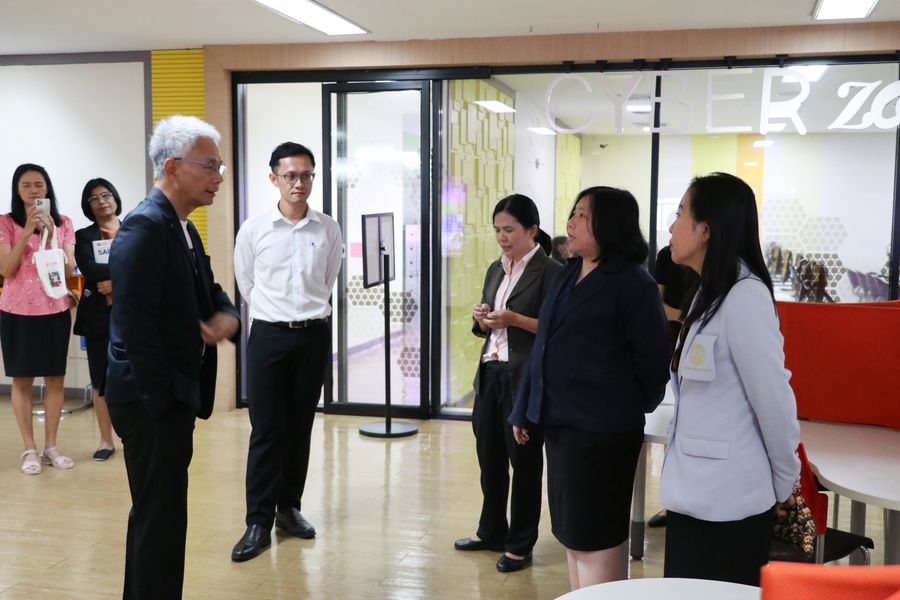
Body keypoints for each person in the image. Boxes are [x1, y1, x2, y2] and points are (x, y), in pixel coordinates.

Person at [105, 115, 240, 600]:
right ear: (172, 167)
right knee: (158, 519)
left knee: (161, 517)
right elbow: (135, 329)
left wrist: (227, 316)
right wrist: (163, 401)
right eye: (209, 166)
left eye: (219, 167)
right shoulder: (144, 228)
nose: (218, 177)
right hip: (150, 401)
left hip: (169, 396)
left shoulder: (181, 227)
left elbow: (210, 291)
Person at [510, 186, 670, 590]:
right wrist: (525, 407)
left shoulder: (633, 283)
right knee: (572, 533)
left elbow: (654, 363)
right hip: (562, 426)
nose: (571, 222)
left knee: (596, 538)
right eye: (574, 212)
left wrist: (624, 404)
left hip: (603, 433)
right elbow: (543, 345)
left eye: (583, 215)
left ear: (610, 225)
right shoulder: (568, 274)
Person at [660, 172, 800, 586]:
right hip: (692, 495)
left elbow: (773, 402)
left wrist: (784, 483)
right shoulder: (709, 291)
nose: (671, 226)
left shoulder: (745, 296)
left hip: (728, 504)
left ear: (706, 230)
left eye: (680, 213)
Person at [231, 141, 342, 562]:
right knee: (266, 429)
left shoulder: (327, 228)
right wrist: (276, 314)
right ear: (273, 178)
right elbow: (246, 283)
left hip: (313, 336)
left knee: (300, 426)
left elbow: (327, 280)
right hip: (269, 337)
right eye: (290, 175)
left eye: (306, 175)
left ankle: (288, 508)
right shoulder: (254, 229)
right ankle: (257, 521)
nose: (299, 183)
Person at [454, 194, 562, 573]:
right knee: (490, 458)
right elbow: (487, 324)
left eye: (510, 230)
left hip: (524, 379)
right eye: (497, 230)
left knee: (525, 464)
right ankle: (491, 531)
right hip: (490, 373)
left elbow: (556, 330)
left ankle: (520, 543)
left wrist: (514, 319)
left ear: (532, 230)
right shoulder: (495, 268)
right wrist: (481, 317)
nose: (502, 237)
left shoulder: (551, 272)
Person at [0, 164, 77, 475]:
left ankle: (51, 446)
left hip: (55, 309)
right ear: (17, 191)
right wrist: (27, 232)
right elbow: (6, 269)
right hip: (16, 310)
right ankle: (29, 448)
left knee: (55, 378)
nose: (33, 190)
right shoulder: (5, 223)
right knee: (22, 379)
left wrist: (51, 234)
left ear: (47, 189)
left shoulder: (64, 222)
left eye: (39, 185)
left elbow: (69, 270)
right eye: (27, 185)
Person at [647, 244, 700, 529]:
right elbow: (659, 305)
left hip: (702, 342)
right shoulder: (667, 256)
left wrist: (686, 317)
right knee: (674, 423)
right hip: (674, 339)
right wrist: (686, 317)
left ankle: (688, 501)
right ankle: (673, 503)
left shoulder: (718, 260)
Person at [73, 178, 122, 461]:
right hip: (98, 318)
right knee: (101, 379)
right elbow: (89, 269)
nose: (102, 201)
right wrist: (123, 271)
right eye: (94, 198)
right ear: (88, 205)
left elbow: (144, 266)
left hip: (132, 315)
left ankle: (137, 434)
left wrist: (117, 283)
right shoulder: (84, 236)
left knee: (138, 375)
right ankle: (106, 440)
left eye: (106, 195)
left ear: (115, 198)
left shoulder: (133, 229)